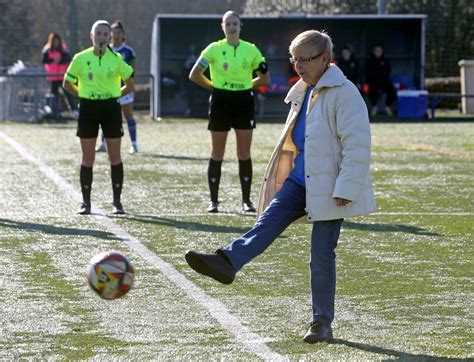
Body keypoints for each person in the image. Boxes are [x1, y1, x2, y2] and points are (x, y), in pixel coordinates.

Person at [185, 30, 376, 343]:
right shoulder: (303, 89)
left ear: (325, 59)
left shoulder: (345, 93)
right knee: (267, 222)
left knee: (321, 255)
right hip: (300, 180)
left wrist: (346, 188)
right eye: (294, 59)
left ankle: (321, 323)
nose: (297, 65)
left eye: (305, 59)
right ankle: (227, 262)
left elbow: (357, 145)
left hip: (330, 187)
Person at [188, 10, 270, 213]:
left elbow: (265, 78)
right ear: (222, 27)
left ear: (241, 26)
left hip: (243, 101)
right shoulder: (213, 49)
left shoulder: (251, 50)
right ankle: (214, 201)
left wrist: (244, 85)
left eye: (235, 23)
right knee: (217, 152)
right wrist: (215, 87)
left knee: (243, 152)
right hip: (220, 101)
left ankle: (246, 201)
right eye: (228, 24)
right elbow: (194, 74)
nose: (232, 27)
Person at [63, 20, 135, 215]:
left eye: (105, 34)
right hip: (88, 108)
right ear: (91, 35)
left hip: (111, 108)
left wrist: (115, 95)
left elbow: (130, 83)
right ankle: (86, 203)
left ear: (110, 37)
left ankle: (117, 203)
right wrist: (81, 94)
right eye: (98, 34)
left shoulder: (117, 58)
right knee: (88, 157)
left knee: (115, 157)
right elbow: (67, 82)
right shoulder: (80, 58)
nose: (102, 37)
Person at [96, 20, 138, 154]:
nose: (116, 35)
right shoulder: (106, 50)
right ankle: (103, 143)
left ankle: (134, 144)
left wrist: (130, 85)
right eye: (114, 32)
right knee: (105, 116)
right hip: (109, 89)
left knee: (128, 116)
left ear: (123, 34)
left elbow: (132, 71)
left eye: (119, 32)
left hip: (124, 90)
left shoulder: (128, 51)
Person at [42, 32, 78, 119]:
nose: (56, 43)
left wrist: (60, 60)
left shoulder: (64, 49)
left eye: (57, 41)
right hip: (53, 77)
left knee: (68, 94)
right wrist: (53, 59)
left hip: (62, 76)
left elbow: (69, 59)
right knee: (54, 95)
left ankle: (74, 111)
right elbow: (44, 60)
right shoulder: (47, 50)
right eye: (54, 41)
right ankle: (55, 112)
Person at [365, 44, 396, 116]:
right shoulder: (370, 61)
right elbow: (368, 72)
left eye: (379, 50)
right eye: (376, 50)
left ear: (382, 51)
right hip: (373, 81)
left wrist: (382, 78)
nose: (378, 52)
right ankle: (374, 107)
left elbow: (388, 71)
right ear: (373, 51)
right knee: (372, 90)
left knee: (392, 91)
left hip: (384, 81)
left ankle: (387, 106)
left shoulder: (385, 60)